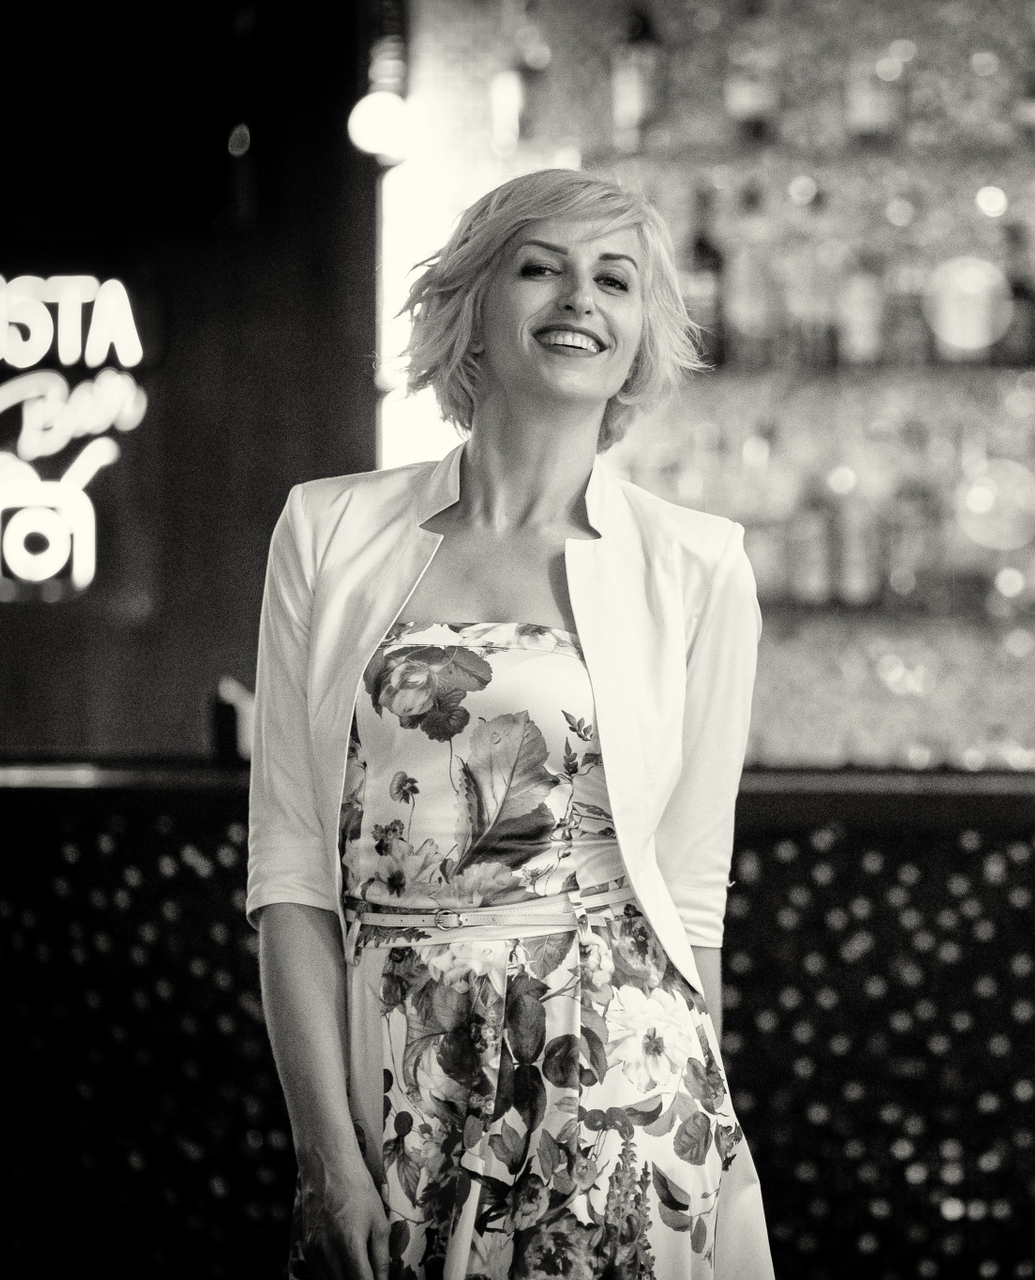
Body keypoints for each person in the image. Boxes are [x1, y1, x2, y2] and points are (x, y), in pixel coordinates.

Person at [245, 168, 773, 1280]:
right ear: (472, 307)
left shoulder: (699, 563)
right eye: (542, 268)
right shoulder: (326, 528)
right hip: (395, 1066)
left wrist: (704, 1150)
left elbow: (689, 895)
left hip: (619, 1079)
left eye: (614, 280)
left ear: (640, 334)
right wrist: (324, 1156)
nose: (580, 297)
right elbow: (291, 867)